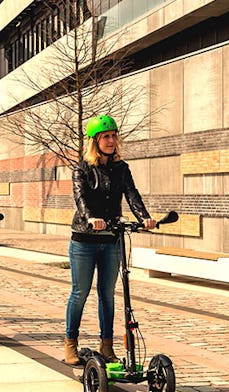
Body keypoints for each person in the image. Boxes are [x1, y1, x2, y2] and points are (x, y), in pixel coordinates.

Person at [63, 115, 154, 366]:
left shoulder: (121, 168)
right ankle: (70, 344)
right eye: (106, 136)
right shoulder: (81, 169)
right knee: (79, 292)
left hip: (112, 239)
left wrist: (145, 218)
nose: (111, 140)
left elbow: (131, 194)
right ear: (95, 141)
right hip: (84, 239)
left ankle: (107, 347)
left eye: (114, 135)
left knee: (108, 294)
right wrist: (92, 218)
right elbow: (80, 198)